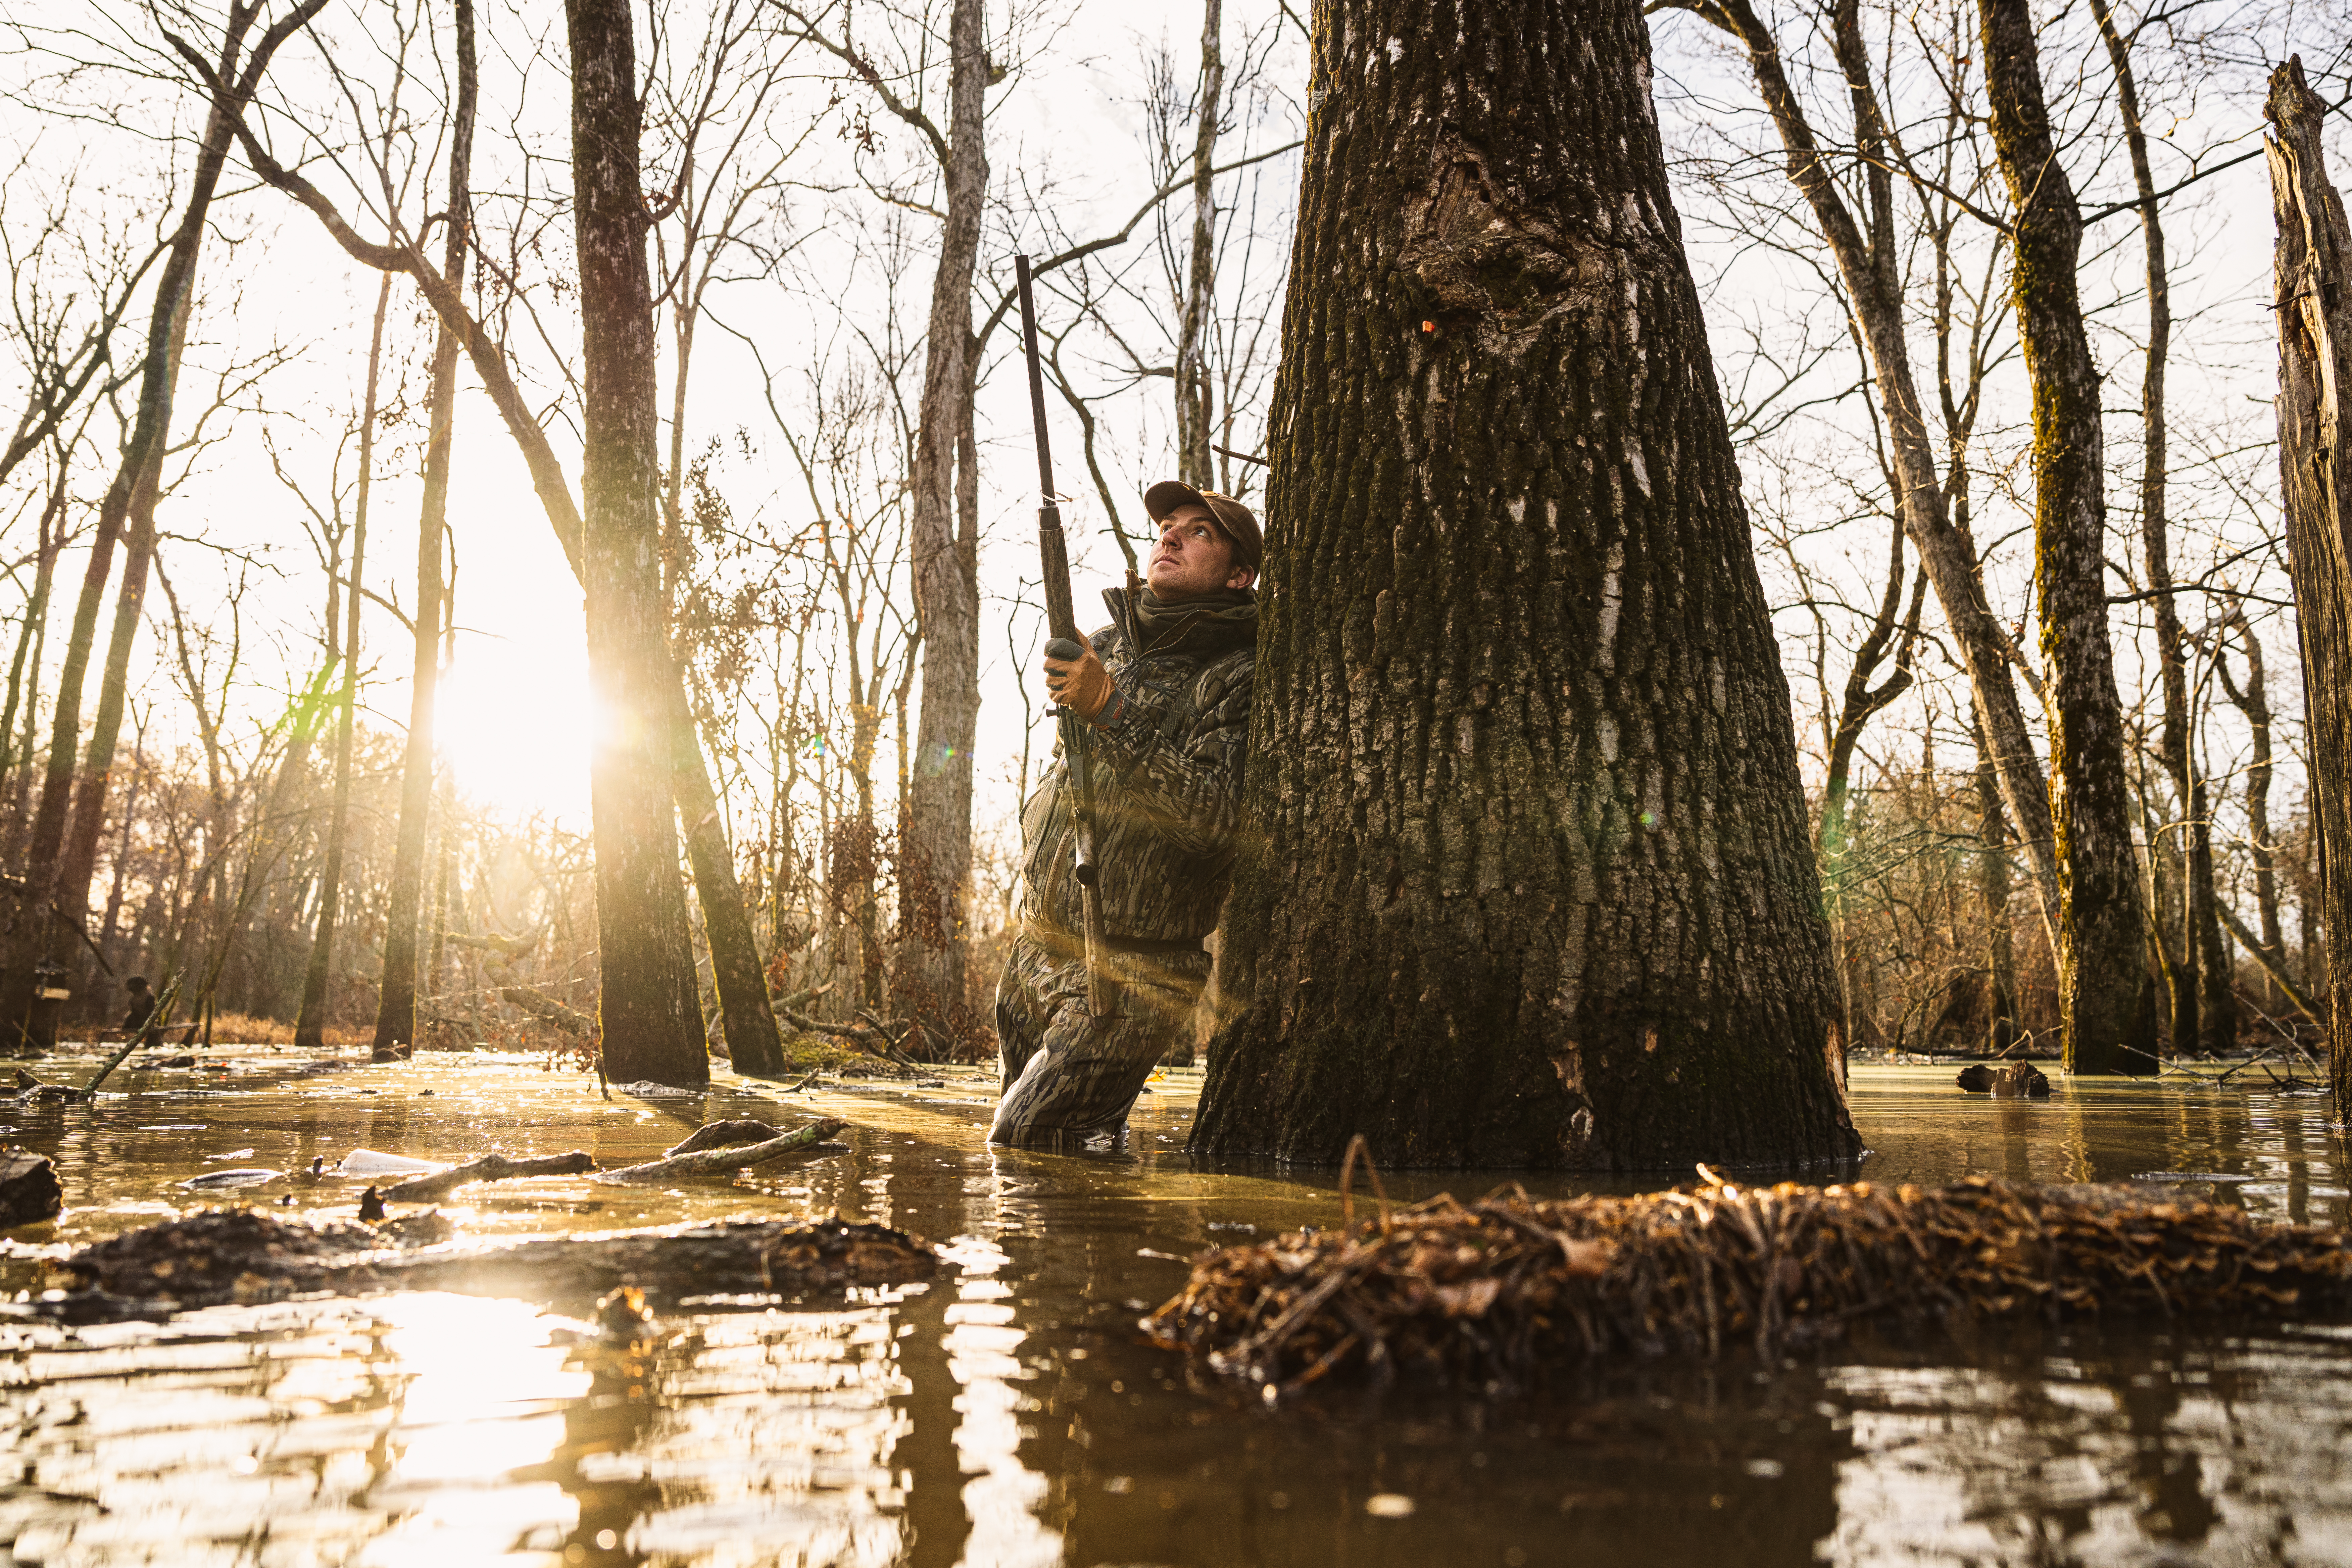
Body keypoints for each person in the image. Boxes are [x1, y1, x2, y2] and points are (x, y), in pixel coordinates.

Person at [990, 480, 1262, 1146]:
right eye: (1169, 524)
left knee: (1024, 1141)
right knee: (1057, 1161)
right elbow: (1079, 775)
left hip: (1132, 970)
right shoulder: (1111, 642)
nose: (1170, 535)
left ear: (1240, 575)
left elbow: (1212, 819)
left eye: (1200, 531)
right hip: (1035, 947)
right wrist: (1080, 695)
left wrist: (1110, 711)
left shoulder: (1240, 673)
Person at [120, 976, 162, 1047]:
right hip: (136, 1021)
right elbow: (133, 1012)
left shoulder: (149, 997)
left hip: (147, 1022)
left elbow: (151, 1014)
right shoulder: (135, 997)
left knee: (153, 1043)